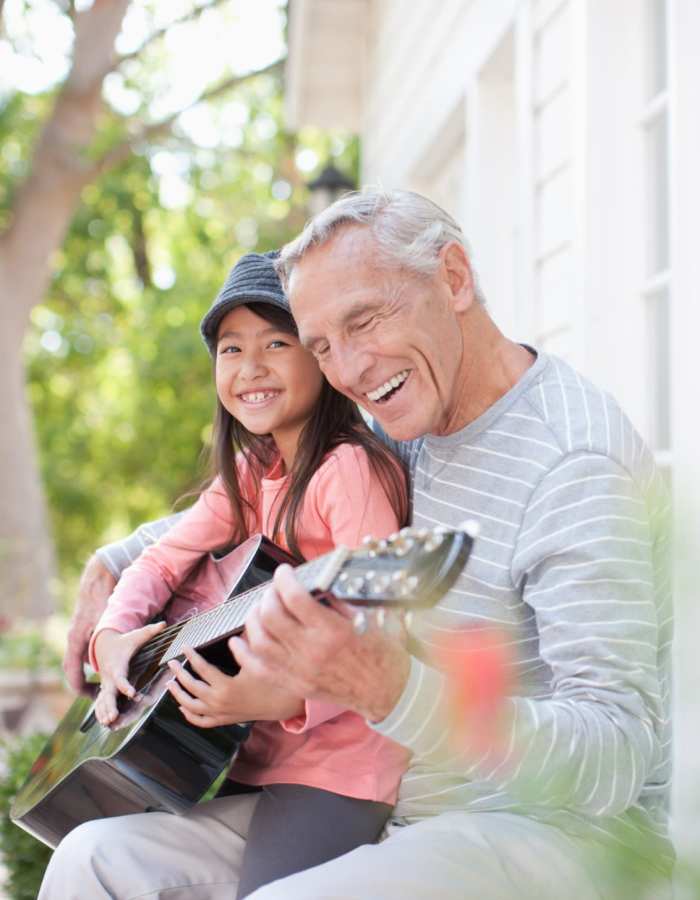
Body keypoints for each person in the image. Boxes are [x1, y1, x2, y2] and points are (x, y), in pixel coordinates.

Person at [52, 190, 672, 899]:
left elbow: (617, 752)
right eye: (320, 345)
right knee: (93, 862)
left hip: (540, 833)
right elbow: (259, 496)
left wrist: (397, 691)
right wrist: (115, 565)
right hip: (384, 802)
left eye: (365, 320)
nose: (348, 371)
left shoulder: (570, 461)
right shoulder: (399, 424)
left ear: (455, 278)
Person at [42, 249, 409, 900]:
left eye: (276, 341)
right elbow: (159, 561)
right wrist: (115, 637)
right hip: (261, 761)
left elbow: (380, 625)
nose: (251, 367)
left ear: (320, 357)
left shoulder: (345, 471)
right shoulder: (251, 475)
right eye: (231, 349)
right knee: (87, 854)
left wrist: (281, 700)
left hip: (339, 774)